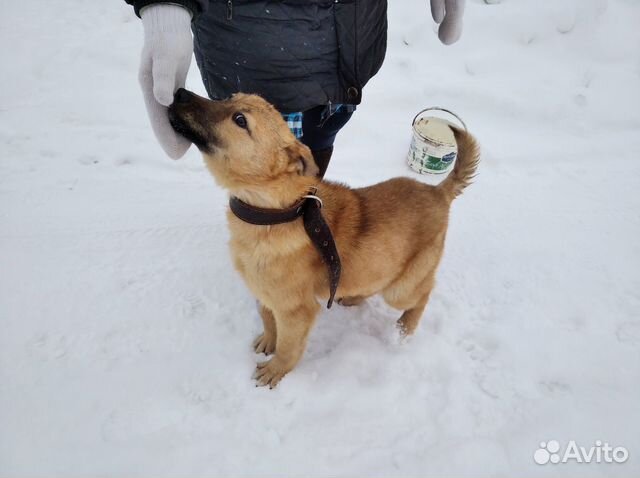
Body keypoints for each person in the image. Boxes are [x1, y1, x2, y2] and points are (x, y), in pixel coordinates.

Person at [125, 0, 466, 176]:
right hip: (252, 50)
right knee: (252, 153)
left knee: (319, 137)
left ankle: (299, 220)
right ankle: (264, 242)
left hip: (348, 51)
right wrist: (164, 10)